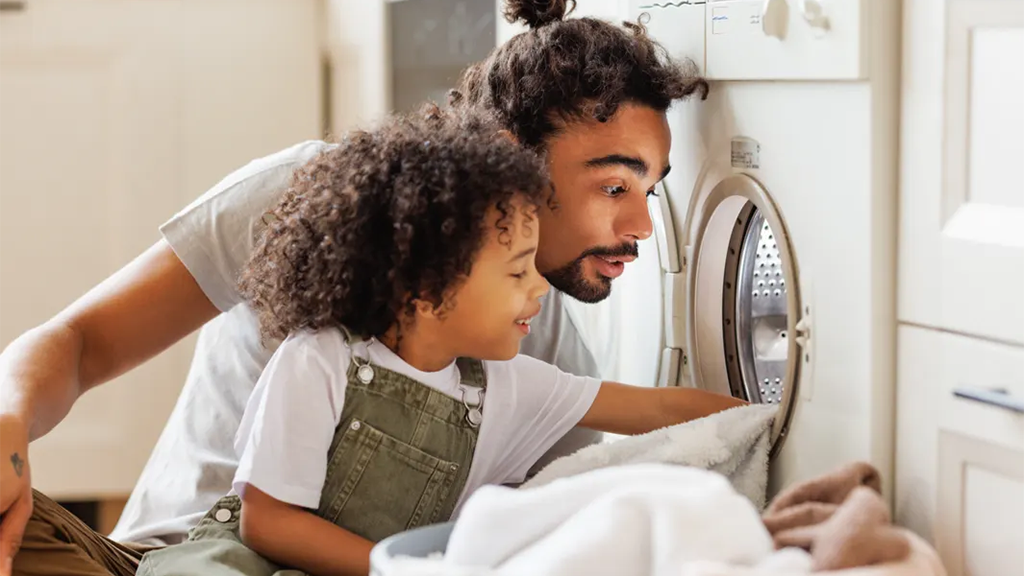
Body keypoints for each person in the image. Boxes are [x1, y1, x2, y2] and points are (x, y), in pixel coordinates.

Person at [0, 0, 711, 574]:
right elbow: (81, 341)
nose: (643, 224)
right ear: (508, 156)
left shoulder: (536, 346)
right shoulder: (318, 199)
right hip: (164, 559)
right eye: (614, 184)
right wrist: (8, 420)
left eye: (652, 189)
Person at [135, 104, 743, 576]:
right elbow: (267, 523)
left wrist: (771, 416)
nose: (539, 288)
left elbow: (659, 409)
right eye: (516, 271)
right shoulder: (317, 361)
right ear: (425, 290)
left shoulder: (507, 386)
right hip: (243, 562)